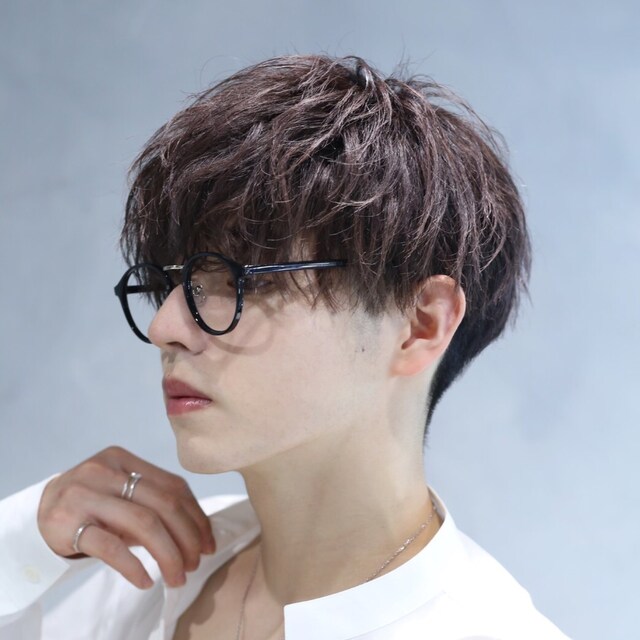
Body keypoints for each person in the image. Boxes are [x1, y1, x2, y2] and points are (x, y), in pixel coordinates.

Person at [0, 54, 570, 639]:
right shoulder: (137, 565)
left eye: (240, 279)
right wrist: (17, 547)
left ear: (420, 324)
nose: (164, 326)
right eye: (174, 282)